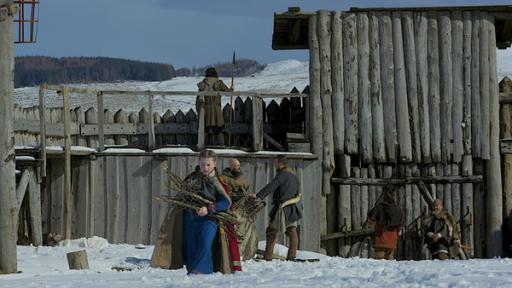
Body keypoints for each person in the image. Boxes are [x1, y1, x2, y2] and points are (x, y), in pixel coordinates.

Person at [150, 149, 240, 274]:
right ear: (199, 162)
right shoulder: (192, 178)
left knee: (205, 241)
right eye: (203, 164)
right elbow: (183, 196)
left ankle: (202, 272)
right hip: (191, 218)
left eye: (208, 164)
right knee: (191, 246)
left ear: (214, 164)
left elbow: (226, 202)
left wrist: (209, 208)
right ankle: (192, 271)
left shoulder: (219, 182)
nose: (205, 167)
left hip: (210, 218)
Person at [256, 155, 302, 261]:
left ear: (281, 163)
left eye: (275, 162)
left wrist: (259, 195)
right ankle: (291, 256)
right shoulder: (294, 176)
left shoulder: (283, 175)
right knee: (292, 231)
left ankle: (268, 257)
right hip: (291, 208)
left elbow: (272, 186)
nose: (274, 164)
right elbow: (297, 193)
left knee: (271, 231)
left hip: (282, 208)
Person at [222, 158, 258, 260]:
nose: (239, 167)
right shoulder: (224, 178)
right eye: (236, 166)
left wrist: (249, 197)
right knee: (236, 231)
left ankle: (243, 253)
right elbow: (227, 194)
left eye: (239, 165)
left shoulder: (241, 177)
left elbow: (246, 190)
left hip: (243, 209)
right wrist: (242, 196)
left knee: (248, 230)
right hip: (232, 209)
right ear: (231, 166)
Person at [367, 184, 403, 260]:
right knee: (390, 259)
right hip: (392, 239)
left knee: (379, 260)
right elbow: (399, 227)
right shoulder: (398, 210)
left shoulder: (379, 207)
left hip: (381, 238)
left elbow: (370, 221)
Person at [197, 67, 231, 146]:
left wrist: (198, 108)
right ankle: (221, 145)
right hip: (216, 109)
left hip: (206, 109)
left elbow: (199, 98)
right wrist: (232, 89)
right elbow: (228, 93)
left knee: (205, 128)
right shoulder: (219, 83)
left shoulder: (203, 83)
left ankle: (201, 145)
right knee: (218, 128)